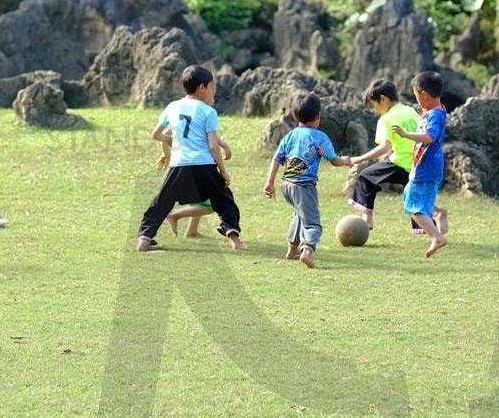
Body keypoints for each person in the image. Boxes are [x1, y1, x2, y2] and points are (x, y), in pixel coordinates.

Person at [137, 65, 245, 252]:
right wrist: (224, 171)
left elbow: (156, 134)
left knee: (160, 203)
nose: (214, 89)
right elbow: (212, 145)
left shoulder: (173, 107)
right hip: (204, 165)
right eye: (212, 86)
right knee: (225, 201)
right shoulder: (208, 111)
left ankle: (145, 239)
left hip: (179, 165)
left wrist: (169, 141)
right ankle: (235, 240)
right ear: (202, 87)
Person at [263, 92, 353, 269]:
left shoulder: (290, 136)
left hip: (286, 186)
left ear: (295, 116)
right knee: (313, 224)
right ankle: (307, 251)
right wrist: (346, 161)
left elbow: (276, 159)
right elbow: (334, 160)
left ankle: (292, 248)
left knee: (298, 215)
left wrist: (269, 182)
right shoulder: (319, 137)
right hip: (304, 187)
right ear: (318, 115)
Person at [347, 78, 422, 233]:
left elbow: (384, 148)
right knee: (415, 199)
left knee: (366, 177)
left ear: (383, 99)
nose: (374, 109)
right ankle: (425, 229)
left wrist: (360, 159)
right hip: (418, 165)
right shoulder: (410, 111)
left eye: (374, 104)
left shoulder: (386, 118)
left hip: (401, 163)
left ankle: (367, 219)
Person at [392, 71, 450, 258]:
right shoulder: (435, 110)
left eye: (416, 95)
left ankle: (436, 237)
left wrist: (406, 134)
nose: (417, 100)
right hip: (426, 165)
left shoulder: (434, 115)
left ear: (424, 94)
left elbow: (429, 137)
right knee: (414, 197)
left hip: (426, 167)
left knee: (413, 207)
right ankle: (439, 215)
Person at [155, 129, 230, 238]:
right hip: (190, 171)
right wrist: (224, 145)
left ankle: (192, 231)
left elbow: (165, 134)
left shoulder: (180, 118)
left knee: (202, 198)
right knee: (213, 203)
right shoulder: (197, 116)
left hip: (185, 170)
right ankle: (174, 215)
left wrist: (166, 154)